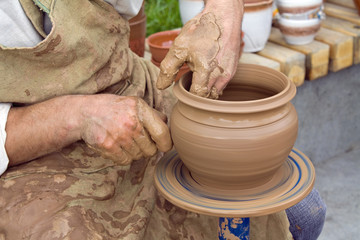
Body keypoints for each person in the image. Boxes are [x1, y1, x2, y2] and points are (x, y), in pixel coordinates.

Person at [0, 0, 325, 239]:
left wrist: (224, 11)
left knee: (304, 213)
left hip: (125, 84)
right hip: (25, 147)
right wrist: (76, 116)